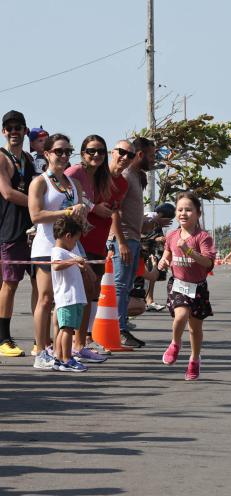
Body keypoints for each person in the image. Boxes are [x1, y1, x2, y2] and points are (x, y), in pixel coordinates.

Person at [28, 133, 88, 369]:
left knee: (63, 301)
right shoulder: (40, 182)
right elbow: (36, 215)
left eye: (67, 151)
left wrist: (82, 216)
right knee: (45, 299)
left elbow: (78, 216)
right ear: (47, 153)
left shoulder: (74, 184)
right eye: (58, 151)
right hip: (45, 247)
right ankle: (40, 350)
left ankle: (58, 351)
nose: (63, 156)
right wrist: (67, 212)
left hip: (70, 247)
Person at [108, 137, 171, 348]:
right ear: (141, 155)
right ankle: (117, 331)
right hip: (123, 241)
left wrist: (153, 223)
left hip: (134, 239)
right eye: (152, 156)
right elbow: (114, 211)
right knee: (119, 286)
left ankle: (122, 328)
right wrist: (121, 241)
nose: (154, 160)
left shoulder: (136, 177)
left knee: (125, 288)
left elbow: (135, 219)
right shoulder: (125, 175)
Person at [66, 134, 122, 359]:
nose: (96, 155)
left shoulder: (102, 176)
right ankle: (70, 343)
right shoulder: (75, 172)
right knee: (77, 294)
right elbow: (66, 194)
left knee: (91, 293)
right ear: (82, 153)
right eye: (91, 150)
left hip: (98, 243)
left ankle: (83, 341)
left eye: (100, 151)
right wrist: (93, 208)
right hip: (78, 243)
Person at [158, 192, 216, 381]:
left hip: (197, 288)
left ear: (198, 213)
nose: (183, 213)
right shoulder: (172, 235)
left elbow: (208, 263)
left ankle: (194, 359)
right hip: (178, 284)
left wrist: (189, 251)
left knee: (195, 329)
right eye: (180, 209)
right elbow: (167, 252)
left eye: (188, 210)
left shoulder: (203, 237)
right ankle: (175, 343)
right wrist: (163, 261)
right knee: (181, 315)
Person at [0, 110, 35, 357]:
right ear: (4, 131)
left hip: (32, 232)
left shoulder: (28, 159)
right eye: (9, 128)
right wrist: (37, 206)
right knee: (9, 284)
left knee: (39, 283)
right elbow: (8, 193)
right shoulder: (2, 158)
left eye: (18, 127)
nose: (14, 132)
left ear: (25, 130)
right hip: (9, 230)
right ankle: (3, 338)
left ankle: (40, 339)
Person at [51, 216, 88, 372]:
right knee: (67, 329)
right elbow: (56, 266)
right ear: (68, 236)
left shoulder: (67, 251)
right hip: (67, 297)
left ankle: (59, 357)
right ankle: (67, 359)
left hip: (74, 297)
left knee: (66, 328)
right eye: (75, 240)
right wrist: (74, 261)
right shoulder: (58, 251)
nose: (75, 244)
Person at [144, 202, 176, 312]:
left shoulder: (157, 222)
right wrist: (156, 239)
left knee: (152, 276)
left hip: (150, 252)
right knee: (143, 277)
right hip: (143, 252)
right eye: (168, 219)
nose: (168, 223)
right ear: (162, 214)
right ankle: (139, 302)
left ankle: (149, 301)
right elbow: (141, 234)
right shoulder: (148, 218)